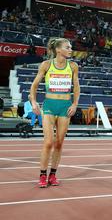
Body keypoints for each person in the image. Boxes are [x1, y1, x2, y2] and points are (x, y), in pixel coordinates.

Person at [29, 38, 80, 188]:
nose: (71, 49)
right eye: (68, 47)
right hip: (50, 105)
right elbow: (34, 86)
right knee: (48, 142)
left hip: (65, 106)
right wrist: (33, 102)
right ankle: (42, 175)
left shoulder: (73, 66)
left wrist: (75, 104)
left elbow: (76, 87)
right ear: (58, 50)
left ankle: (53, 174)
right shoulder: (46, 65)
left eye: (71, 47)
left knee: (59, 143)